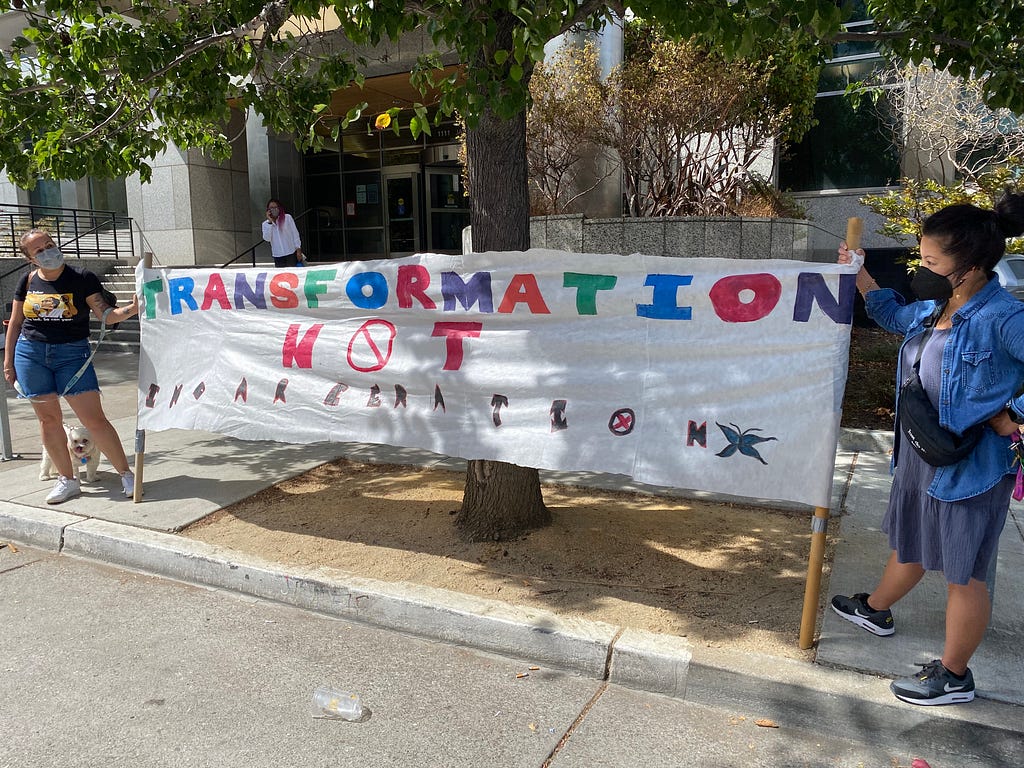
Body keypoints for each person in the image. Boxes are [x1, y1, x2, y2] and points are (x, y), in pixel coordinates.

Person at [831, 193, 1024, 705]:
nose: (923, 268)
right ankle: (875, 608)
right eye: (922, 258)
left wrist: (1013, 417)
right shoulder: (938, 306)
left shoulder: (1003, 317)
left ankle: (955, 676)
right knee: (913, 537)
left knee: (964, 573)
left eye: (933, 262)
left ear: (971, 265)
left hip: (971, 466)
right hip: (921, 455)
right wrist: (860, 275)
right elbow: (893, 314)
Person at [3, 228, 141, 504]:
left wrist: (132, 309)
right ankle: (67, 480)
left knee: (94, 420)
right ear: (30, 258)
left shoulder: (81, 277)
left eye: (50, 244)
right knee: (48, 420)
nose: (47, 252)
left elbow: (105, 315)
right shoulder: (27, 280)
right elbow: (16, 324)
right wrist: (8, 362)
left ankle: (126, 474)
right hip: (30, 354)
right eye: (39, 250)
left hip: (72, 354)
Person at [261, 198, 304, 268]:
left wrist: (298, 250)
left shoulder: (287, 218)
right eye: (271, 208)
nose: (274, 209)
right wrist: (270, 222)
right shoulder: (265, 224)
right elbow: (267, 238)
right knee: (282, 278)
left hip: (291, 253)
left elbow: (295, 234)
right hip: (278, 255)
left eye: (275, 207)